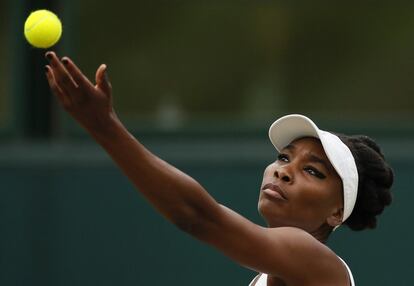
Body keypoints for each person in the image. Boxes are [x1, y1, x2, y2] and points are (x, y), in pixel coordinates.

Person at [44, 51, 394, 286]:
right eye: (284, 158)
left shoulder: (315, 261)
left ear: (336, 212)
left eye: (313, 171)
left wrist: (105, 127)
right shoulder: (266, 276)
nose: (283, 171)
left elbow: (196, 216)